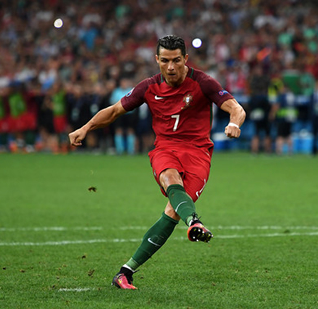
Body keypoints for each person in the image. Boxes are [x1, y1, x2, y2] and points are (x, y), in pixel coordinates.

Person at [68, 35, 246, 290]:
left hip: (198, 153)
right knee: (170, 177)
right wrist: (85, 128)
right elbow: (115, 110)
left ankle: (125, 273)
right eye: (165, 61)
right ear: (157, 60)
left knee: (173, 211)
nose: (171, 67)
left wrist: (233, 123)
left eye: (176, 60)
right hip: (165, 149)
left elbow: (236, 108)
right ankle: (194, 222)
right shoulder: (148, 87)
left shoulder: (203, 82)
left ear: (185, 59)